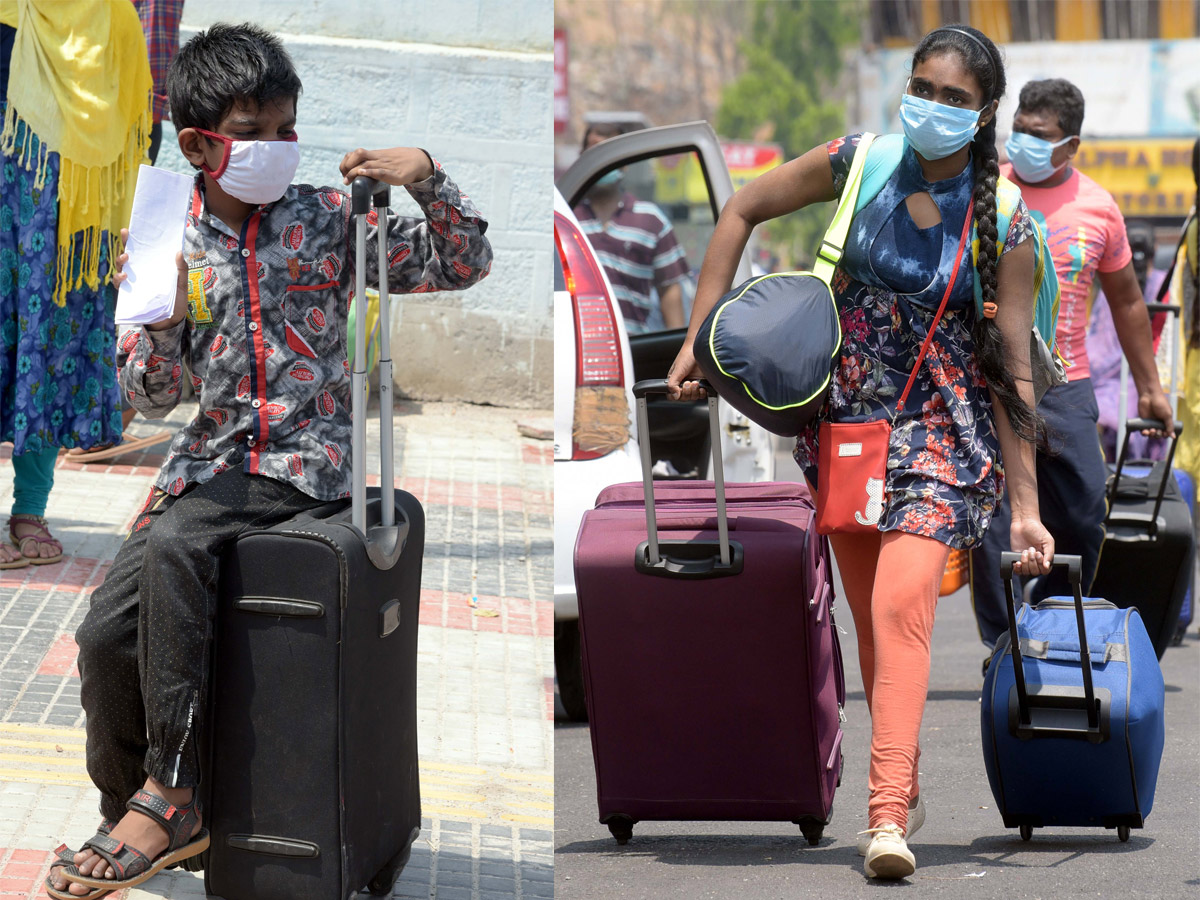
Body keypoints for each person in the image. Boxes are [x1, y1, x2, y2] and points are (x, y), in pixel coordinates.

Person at [46, 22, 492, 898]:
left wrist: (428, 177)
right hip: (205, 467)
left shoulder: (331, 222)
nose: (277, 149)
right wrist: (164, 316)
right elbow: (149, 393)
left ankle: (173, 798)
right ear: (198, 144)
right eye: (254, 133)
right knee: (105, 635)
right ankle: (130, 809)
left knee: (181, 543)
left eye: (287, 130)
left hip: (303, 461)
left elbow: (463, 262)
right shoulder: (166, 232)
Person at [667, 25, 1053, 880]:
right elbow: (741, 209)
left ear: (984, 114)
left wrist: (1025, 508)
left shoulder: (1006, 224)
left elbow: (1016, 371)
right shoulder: (861, 161)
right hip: (846, 428)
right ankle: (900, 774)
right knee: (872, 627)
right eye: (923, 87)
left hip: (946, 434)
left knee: (900, 606)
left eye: (954, 99)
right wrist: (699, 334)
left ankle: (884, 819)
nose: (932, 107)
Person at [969, 78, 1172, 651]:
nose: (1024, 144)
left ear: (1071, 145)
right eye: (1020, 131)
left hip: (1066, 385)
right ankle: (1004, 643)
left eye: (1041, 136)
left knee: (1085, 518)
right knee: (991, 524)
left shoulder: (1099, 208)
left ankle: (1054, 618)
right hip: (991, 381)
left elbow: (1129, 302)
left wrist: (1150, 388)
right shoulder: (984, 189)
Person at [0, 0, 148, 570]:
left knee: (48, 355)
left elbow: (138, 132)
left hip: (72, 229)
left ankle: (30, 510)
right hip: (11, 201)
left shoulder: (113, 17)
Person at [68, 0, 185, 463]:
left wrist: (151, 112)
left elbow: (156, 36)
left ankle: (105, 414)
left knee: (112, 258)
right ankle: (90, 411)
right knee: (88, 258)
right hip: (95, 115)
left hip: (122, 118)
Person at [573, 122, 690, 334]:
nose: (601, 162)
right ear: (582, 158)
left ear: (624, 163)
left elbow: (669, 292)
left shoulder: (651, 220)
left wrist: (677, 349)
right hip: (577, 347)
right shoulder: (566, 217)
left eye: (608, 153)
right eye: (594, 152)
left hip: (634, 349)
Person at [1087, 219, 1168, 462]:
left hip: (1145, 380)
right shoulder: (1166, 284)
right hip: (1142, 379)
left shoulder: (1114, 290)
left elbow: (1097, 346)